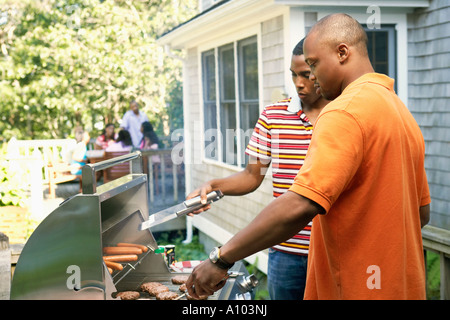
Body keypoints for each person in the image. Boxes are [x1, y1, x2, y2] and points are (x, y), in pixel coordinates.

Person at [186, 13, 431, 300]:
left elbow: (301, 204)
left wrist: (221, 258)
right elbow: (421, 213)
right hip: (396, 284)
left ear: (342, 53)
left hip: (356, 286)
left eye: (313, 64)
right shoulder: (400, 111)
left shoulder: (344, 111)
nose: (310, 76)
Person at [185, 38, 328, 300]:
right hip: (286, 251)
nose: (298, 83)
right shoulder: (274, 115)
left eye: (306, 75)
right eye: (293, 75)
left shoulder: (343, 116)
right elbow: (252, 176)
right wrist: (214, 186)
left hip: (333, 249)